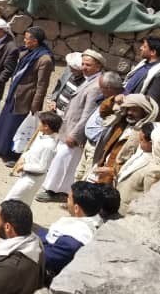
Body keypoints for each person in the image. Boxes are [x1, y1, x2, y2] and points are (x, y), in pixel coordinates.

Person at [35, 49, 106, 200]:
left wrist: (75, 135)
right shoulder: (89, 79)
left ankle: (53, 190)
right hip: (69, 127)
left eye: (88, 65)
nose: (84, 67)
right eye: (83, 64)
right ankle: (60, 190)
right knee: (63, 160)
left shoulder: (96, 85)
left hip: (75, 131)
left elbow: (87, 114)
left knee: (64, 160)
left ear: (98, 66)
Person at [0, 27, 54, 163]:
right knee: (7, 122)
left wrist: (35, 105)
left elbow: (42, 85)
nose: (24, 40)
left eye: (26, 38)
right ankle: (2, 148)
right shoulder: (27, 52)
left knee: (19, 127)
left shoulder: (44, 59)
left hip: (26, 99)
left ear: (35, 41)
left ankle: (14, 155)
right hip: (15, 93)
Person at [87, 94, 160, 187]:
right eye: (129, 109)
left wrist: (113, 171)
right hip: (100, 167)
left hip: (113, 179)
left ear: (144, 113)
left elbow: (137, 162)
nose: (129, 112)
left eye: (135, 110)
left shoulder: (144, 136)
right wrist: (113, 100)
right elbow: (103, 112)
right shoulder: (121, 123)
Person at [39, 180, 102, 282]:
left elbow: (45, 258)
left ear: (76, 208)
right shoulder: (96, 221)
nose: (66, 201)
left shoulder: (73, 241)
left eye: (69, 198)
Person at [5, 111, 62, 205]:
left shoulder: (49, 146)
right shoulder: (41, 137)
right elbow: (31, 150)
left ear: (46, 127)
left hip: (33, 179)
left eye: (40, 122)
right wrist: (23, 158)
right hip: (26, 175)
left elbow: (42, 167)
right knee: (19, 202)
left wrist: (24, 167)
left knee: (12, 200)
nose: (38, 124)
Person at [115, 121, 160, 205]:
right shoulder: (142, 151)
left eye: (142, 140)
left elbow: (149, 201)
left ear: (151, 143)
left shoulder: (155, 170)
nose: (139, 141)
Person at [123, 36, 160, 119]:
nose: (140, 48)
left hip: (135, 117)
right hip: (125, 108)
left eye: (144, 47)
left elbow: (151, 104)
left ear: (153, 52)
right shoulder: (144, 65)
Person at [47, 52, 86, 117]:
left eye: (74, 69)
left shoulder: (86, 82)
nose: (71, 71)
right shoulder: (69, 70)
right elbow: (59, 85)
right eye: (70, 67)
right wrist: (53, 100)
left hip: (68, 116)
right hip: (55, 111)